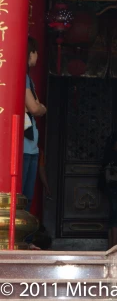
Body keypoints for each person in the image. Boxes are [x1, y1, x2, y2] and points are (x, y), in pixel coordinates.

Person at [23, 37, 46, 207]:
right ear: (29, 53)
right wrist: (40, 108)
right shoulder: (23, 78)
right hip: (23, 148)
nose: (37, 55)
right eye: (35, 51)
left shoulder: (29, 80)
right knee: (23, 200)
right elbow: (35, 108)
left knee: (27, 199)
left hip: (31, 148)